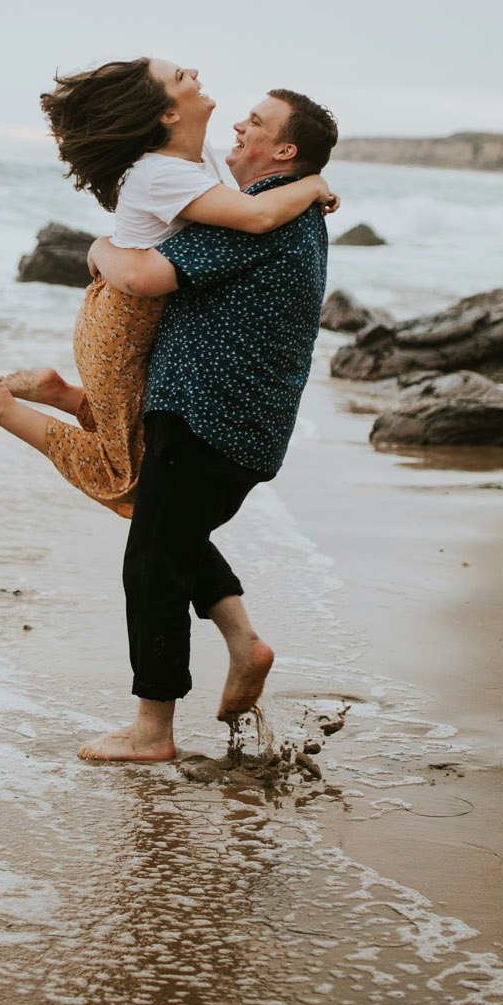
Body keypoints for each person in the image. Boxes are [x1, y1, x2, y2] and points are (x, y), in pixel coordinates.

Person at [0, 59, 334, 518]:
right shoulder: (161, 172)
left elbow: (250, 204)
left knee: (136, 444)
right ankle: (3, 410)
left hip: (134, 312)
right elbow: (256, 216)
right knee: (125, 480)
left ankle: (61, 393)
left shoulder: (198, 156)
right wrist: (312, 185)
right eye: (179, 76)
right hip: (122, 321)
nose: (193, 71)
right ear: (168, 113)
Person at [75, 86, 338, 764]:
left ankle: (152, 731)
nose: (241, 123)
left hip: (205, 416)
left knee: (153, 563)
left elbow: (139, 276)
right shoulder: (290, 208)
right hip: (239, 424)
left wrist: (100, 246)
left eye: (258, 121)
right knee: (170, 535)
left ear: (285, 150)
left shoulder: (260, 217)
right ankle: (245, 646)